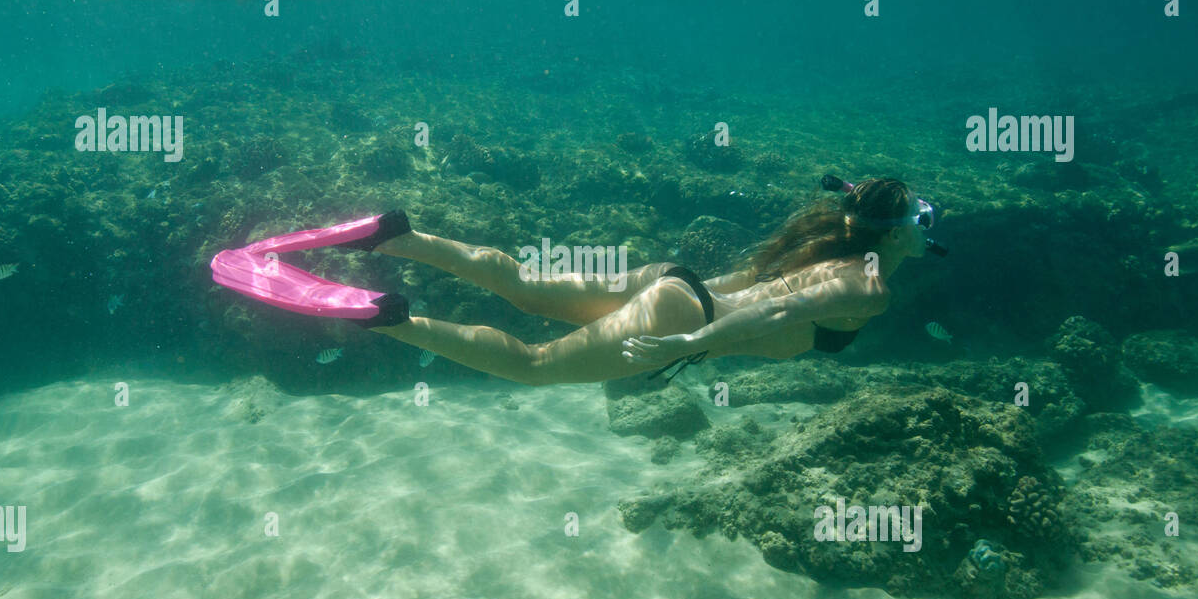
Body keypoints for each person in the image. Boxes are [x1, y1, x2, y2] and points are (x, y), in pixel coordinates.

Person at [363, 176, 939, 385]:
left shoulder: (827, 245)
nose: (926, 224)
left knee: (524, 283)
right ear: (890, 235)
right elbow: (776, 313)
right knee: (532, 366)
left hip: (676, 282)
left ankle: (394, 236)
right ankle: (391, 320)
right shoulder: (869, 287)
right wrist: (690, 343)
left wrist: (682, 304)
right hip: (687, 318)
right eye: (920, 217)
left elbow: (755, 287)